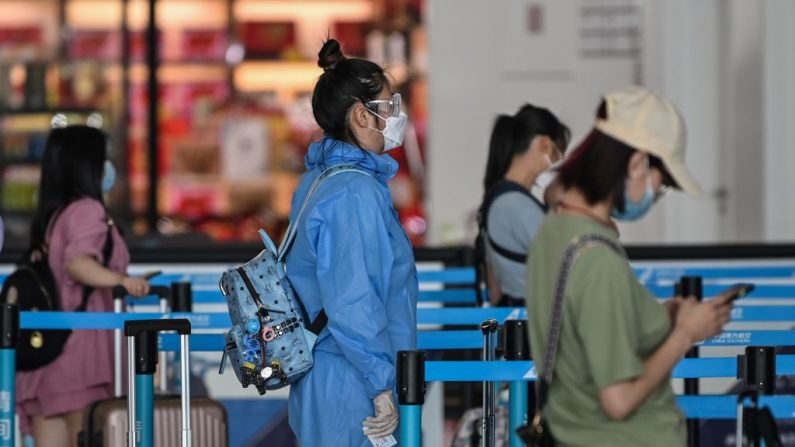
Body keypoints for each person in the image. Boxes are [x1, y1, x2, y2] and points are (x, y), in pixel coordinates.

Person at [525, 86, 734, 446]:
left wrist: (663, 318)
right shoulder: (598, 260)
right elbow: (618, 401)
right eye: (662, 182)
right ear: (637, 163)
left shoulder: (555, 231)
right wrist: (685, 334)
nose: (658, 195)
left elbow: (587, 332)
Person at [284, 39, 418, 446]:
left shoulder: (320, 181)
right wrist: (381, 389)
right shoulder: (354, 193)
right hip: (354, 386)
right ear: (362, 115)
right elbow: (353, 299)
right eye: (389, 107)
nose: (398, 116)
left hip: (328, 378)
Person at [16, 125, 150, 447]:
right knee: (87, 435)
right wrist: (122, 281)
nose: (109, 167)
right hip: (81, 352)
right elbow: (78, 263)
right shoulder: (88, 210)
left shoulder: (55, 213)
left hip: (48, 352)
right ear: (86, 164)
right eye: (103, 158)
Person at [479, 104, 570, 307]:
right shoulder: (515, 205)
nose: (557, 164)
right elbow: (569, 259)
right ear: (545, 145)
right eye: (557, 154)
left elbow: (495, 289)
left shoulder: (502, 197)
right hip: (533, 318)